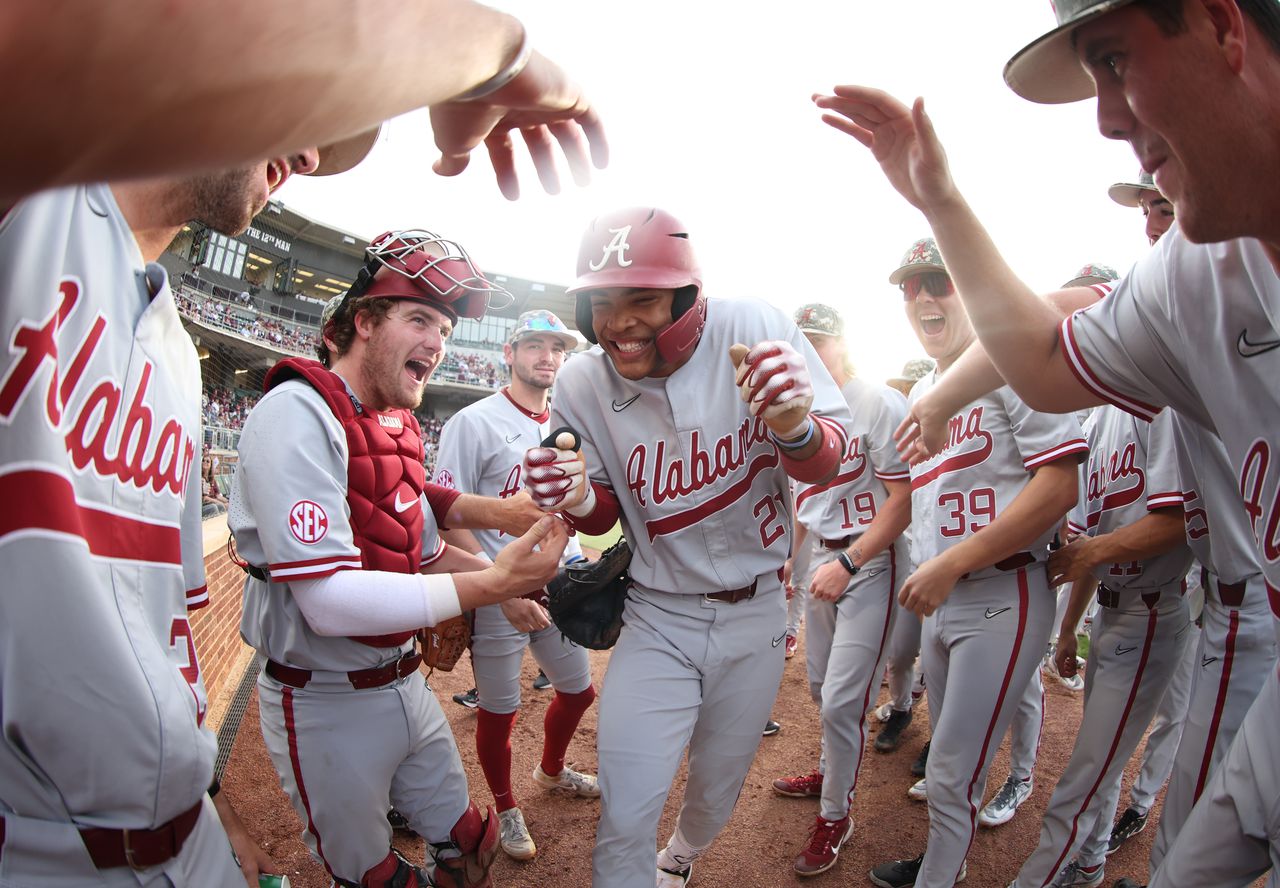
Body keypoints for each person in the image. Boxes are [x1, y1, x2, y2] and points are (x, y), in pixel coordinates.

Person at [812, 2, 1280, 884]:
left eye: (1114, 61)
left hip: (1202, 607)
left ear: (1223, 25)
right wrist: (939, 200)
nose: (1106, 117)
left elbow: (1067, 458)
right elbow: (1046, 356)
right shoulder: (1195, 268)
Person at [0, 146, 330, 883]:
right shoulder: (32, 205)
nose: (307, 155)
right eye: (295, 100)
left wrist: (209, 806)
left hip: (182, 837)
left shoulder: (180, 355)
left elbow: (167, 632)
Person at [520, 206, 852, 888]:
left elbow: (830, 463)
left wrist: (796, 428)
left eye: (641, 297)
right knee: (625, 808)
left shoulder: (754, 326)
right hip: (658, 615)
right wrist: (579, 497)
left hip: (757, 611)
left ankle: (682, 855)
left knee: (713, 794)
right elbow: (598, 511)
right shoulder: (582, 380)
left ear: (686, 297)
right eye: (602, 302)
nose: (618, 321)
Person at [230, 229, 569, 888]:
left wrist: (540, 584)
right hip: (321, 698)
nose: (438, 343)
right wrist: (496, 580)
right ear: (363, 322)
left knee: (473, 845)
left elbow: (430, 553)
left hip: (404, 682)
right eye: (419, 319)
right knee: (376, 878)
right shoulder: (296, 412)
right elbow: (327, 602)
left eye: (442, 327)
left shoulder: (394, 423)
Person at [865, 238, 1085, 888]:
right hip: (944, 598)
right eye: (912, 286)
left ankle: (940, 873)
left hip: (1002, 593)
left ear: (971, 286)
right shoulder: (925, 391)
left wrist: (951, 561)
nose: (925, 296)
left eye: (941, 280)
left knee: (954, 769)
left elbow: (1059, 485)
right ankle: (945, 861)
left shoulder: (1014, 364)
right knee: (947, 768)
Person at [0, 0, 608, 203]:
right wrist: (489, 57)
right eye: (303, 113)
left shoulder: (178, 366)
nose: (311, 159)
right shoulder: (43, 215)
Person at [432, 309, 600, 862]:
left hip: (559, 584)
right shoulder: (473, 421)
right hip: (494, 590)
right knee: (499, 711)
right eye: (533, 345)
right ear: (509, 353)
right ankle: (505, 806)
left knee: (579, 691)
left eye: (556, 347)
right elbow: (450, 515)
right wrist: (500, 590)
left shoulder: (569, 423)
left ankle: (550, 772)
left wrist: (579, 567)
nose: (546, 356)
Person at [1007, 402, 1193, 888]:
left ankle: (1035, 880)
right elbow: (1091, 538)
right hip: (1111, 611)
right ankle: (1089, 863)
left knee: (1087, 771)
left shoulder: (1163, 408)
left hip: (1152, 611)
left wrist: (1088, 552)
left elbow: (1181, 522)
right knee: (1102, 756)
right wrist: (1070, 627)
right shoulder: (1098, 420)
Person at [767, 302, 912, 877]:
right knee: (822, 691)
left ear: (842, 345)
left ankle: (836, 815)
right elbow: (808, 500)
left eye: (819, 340)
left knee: (845, 701)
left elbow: (903, 500)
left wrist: (849, 562)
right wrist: (791, 555)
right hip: (826, 557)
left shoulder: (877, 400)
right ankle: (831, 772)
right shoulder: (800, 409)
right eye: (800, 342)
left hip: (868, 561)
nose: (810, 350)